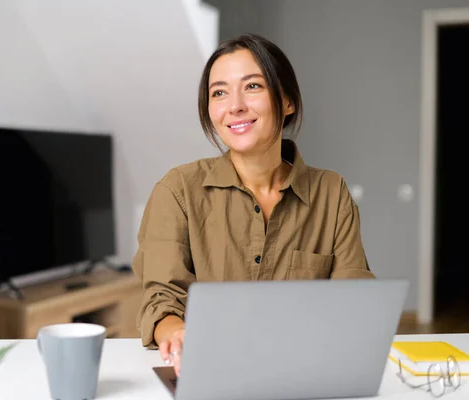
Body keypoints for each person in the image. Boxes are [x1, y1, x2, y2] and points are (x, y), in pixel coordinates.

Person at [132, 33, 375, 377]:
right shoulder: (178, 190)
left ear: (287, 101)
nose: (235, 106)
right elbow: (160, 297)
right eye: (219, 92)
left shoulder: (331, 193)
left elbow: (353, 301)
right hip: (210, 373)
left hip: (306, 374)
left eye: (253, 86)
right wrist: (175, 332)